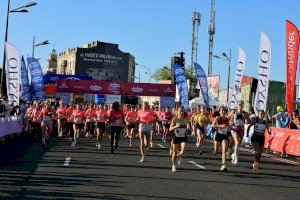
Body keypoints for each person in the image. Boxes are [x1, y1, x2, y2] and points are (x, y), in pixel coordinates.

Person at [169, 107, 190, 172]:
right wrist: (176, 126)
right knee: (174, 153)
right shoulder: (175, 119)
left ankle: (180, 155)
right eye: (180, 111)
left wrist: (188, 127)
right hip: (176, 137)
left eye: (182, 111)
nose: (181, 112)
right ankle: (173, 166)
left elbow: (188, 125)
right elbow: (170, 129)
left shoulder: (186, 119)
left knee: (183, 151)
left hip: (183, 136)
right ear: (177, 112)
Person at [230, 100, 250, 165]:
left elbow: (249, 121)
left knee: (239, 144)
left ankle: (233, 154)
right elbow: (227, 118)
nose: (240, 105)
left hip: (241, 129)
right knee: (237, 142)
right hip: (234, 128)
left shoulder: (245, 113)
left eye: (241, 104)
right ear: (237, 104)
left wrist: (246, 118)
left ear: (243, 105)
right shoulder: (234, 111)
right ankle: (236, 156)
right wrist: (231, 122)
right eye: (239, 104)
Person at [212, 106, 230, 172]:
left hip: (224, 136)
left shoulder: (227, 119)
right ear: (219, 112)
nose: (223, 112)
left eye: (224, 110)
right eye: (222, 110)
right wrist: (220, 126)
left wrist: (229, 129)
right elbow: (212, 125)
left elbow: (228, 127)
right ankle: (214, 152)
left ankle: (223, 165)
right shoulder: (218, 117)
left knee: (224, 151)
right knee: (215, 152)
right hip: (218, 135)